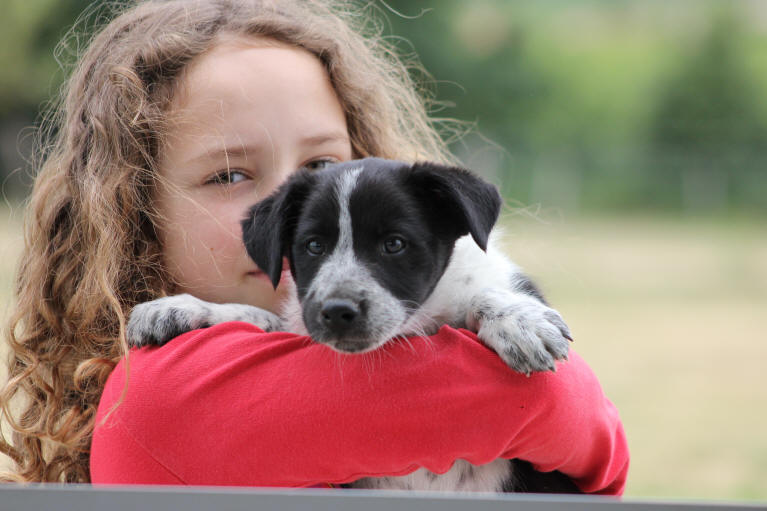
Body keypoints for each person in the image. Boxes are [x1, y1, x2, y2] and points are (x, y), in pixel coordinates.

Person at [0, 0, 629, 492]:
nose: (291, 200)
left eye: (323, 160)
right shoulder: (155, 400)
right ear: (134, 214)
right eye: (229, 174)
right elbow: (554, 402)